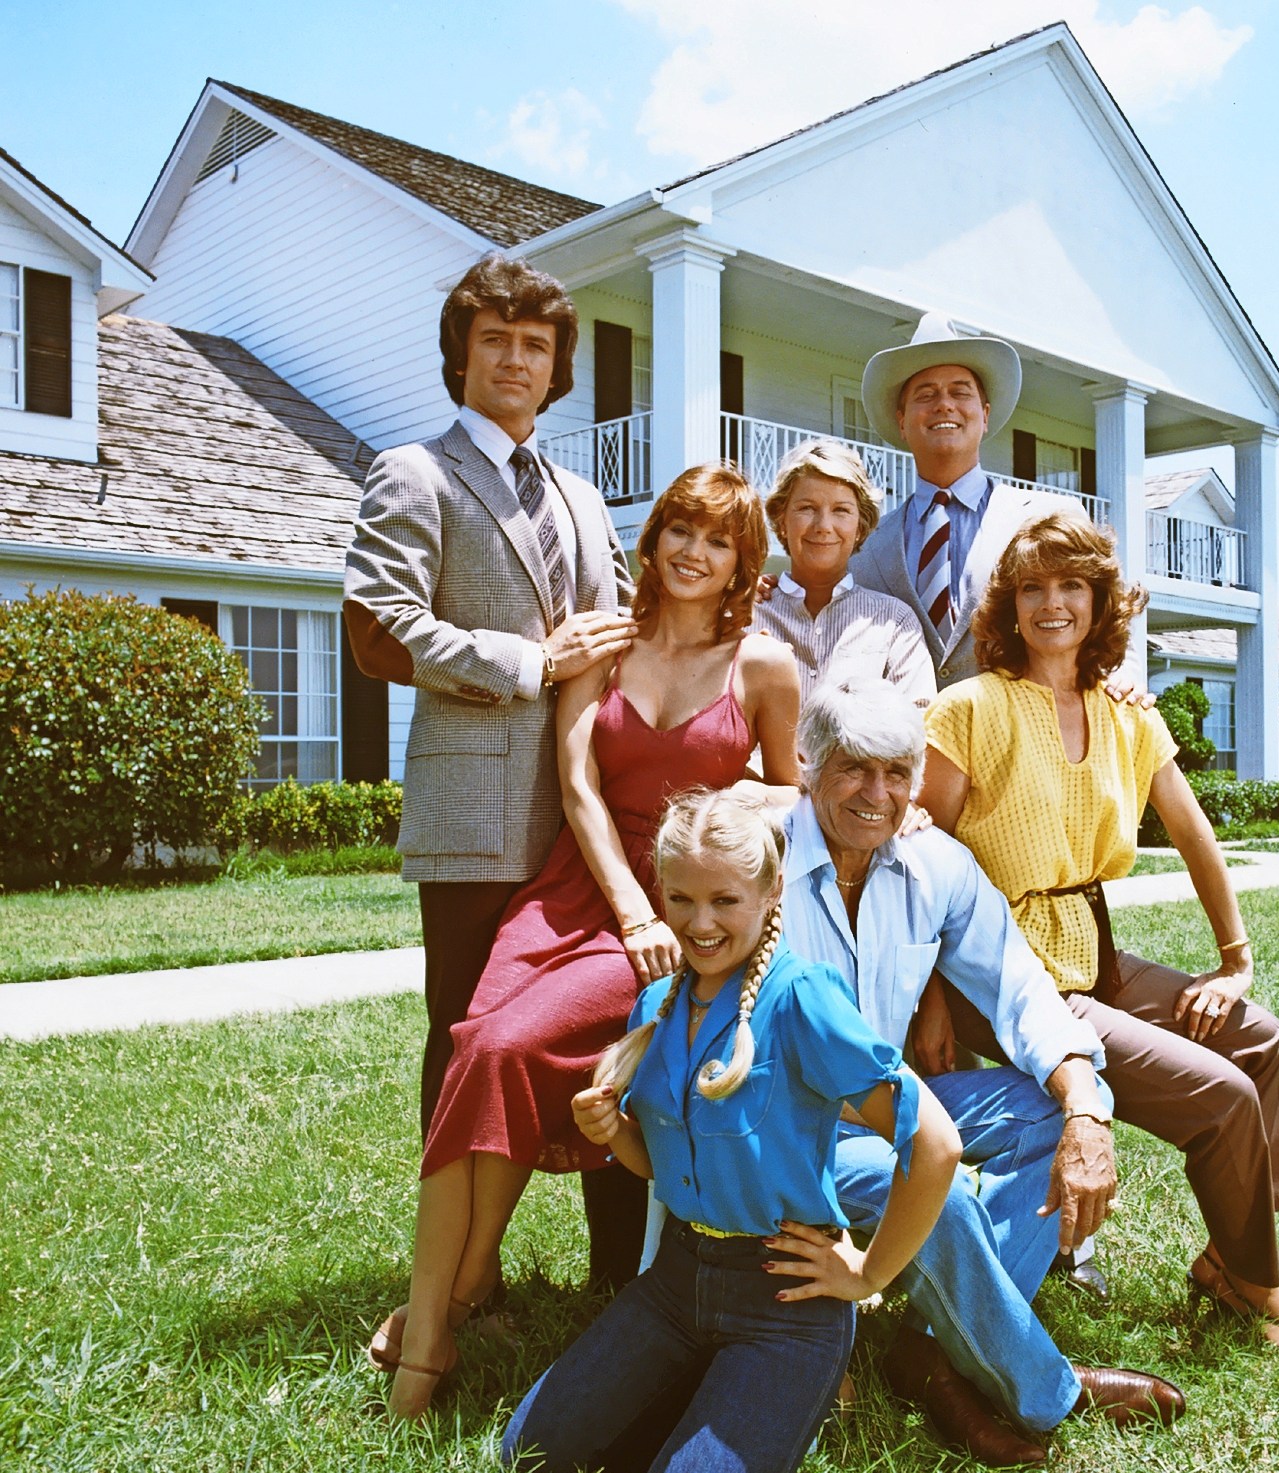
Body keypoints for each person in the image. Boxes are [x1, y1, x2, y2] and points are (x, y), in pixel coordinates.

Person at [374, 465, 803, 1418]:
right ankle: (453, 1293)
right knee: (478, 1049)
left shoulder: (765, 665)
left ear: (741, 562)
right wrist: (628, 907)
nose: (694, 552)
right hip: (580, 891)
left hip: (686, 908)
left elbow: (791, 790)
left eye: (719, 540)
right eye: (679, 531)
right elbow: (576, 787)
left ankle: (447, 1303)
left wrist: (731, 809)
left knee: (503, 1050)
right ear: (650, 543)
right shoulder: (605, 647)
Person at [917, 508, 1279, 1365]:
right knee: (1218, 1096)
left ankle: (1227, 1251)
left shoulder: (1126, 714)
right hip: (1004, 971)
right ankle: (1259, 1285)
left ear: (1101, 602)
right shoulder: (968, 707)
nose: (1051, 603)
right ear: (1008, 606)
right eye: (1031, 588)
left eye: (1071, 585)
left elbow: (1192, 831)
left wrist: (1235, 960)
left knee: (1258, 1042)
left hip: (1090, 947)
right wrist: (930, 1001)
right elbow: (917, 864)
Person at [777, 677, 1185, 1467]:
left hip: (894, 1106)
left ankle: (930, 1345)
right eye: (854, 768)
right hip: (790, 1124)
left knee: (1051, 1105)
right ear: (808, 765)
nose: (878, 793)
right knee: (942, 1198)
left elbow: (1018, 988)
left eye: (897, 772)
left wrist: (1084, 1110)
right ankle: (1047, 1386)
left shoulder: (934, 863)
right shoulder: (760, 851)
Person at [500, 787, 964, 1473]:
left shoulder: (801, 996)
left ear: (772, 890)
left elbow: (935, 1144)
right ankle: (698, 1403)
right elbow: (659, 1168)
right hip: (675, 1281)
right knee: (529, 1454)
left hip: (783, 1300)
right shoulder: (657, 1004)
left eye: (724, 900)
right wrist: (614, 1130)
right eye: (681, 898)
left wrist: (868, 1273)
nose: (700, 921)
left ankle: (759, 1403)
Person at [343, 253, 640, 1288]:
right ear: (460, 357)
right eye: (495, 340)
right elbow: (378, 631)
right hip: (474, 814)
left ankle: (620, 1274)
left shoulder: (586, 497)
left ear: (558, 367)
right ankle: (465, 1274)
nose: (516, 360)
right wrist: (526, 664)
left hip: (598, 821)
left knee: (620, 1025)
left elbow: (631, 632)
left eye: (536, 345)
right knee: (468, 1037)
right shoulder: (413, 473)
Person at [847, 311, 1051, 690]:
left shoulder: (1046, 519)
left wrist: (1121, 675)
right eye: (926, 395)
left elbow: (1105, 624)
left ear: (985, 415)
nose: (944, 404)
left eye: (960, 391)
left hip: (1017, 743)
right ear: (903, 421)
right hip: (904, 745)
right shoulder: (865, 549)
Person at [751, 439, 935, 707]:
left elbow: (916, 729)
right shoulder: (745, 614)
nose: (824, 526)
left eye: (841, 510)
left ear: (860, 526)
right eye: (807, 508)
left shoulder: (894, 623)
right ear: (781, 521)